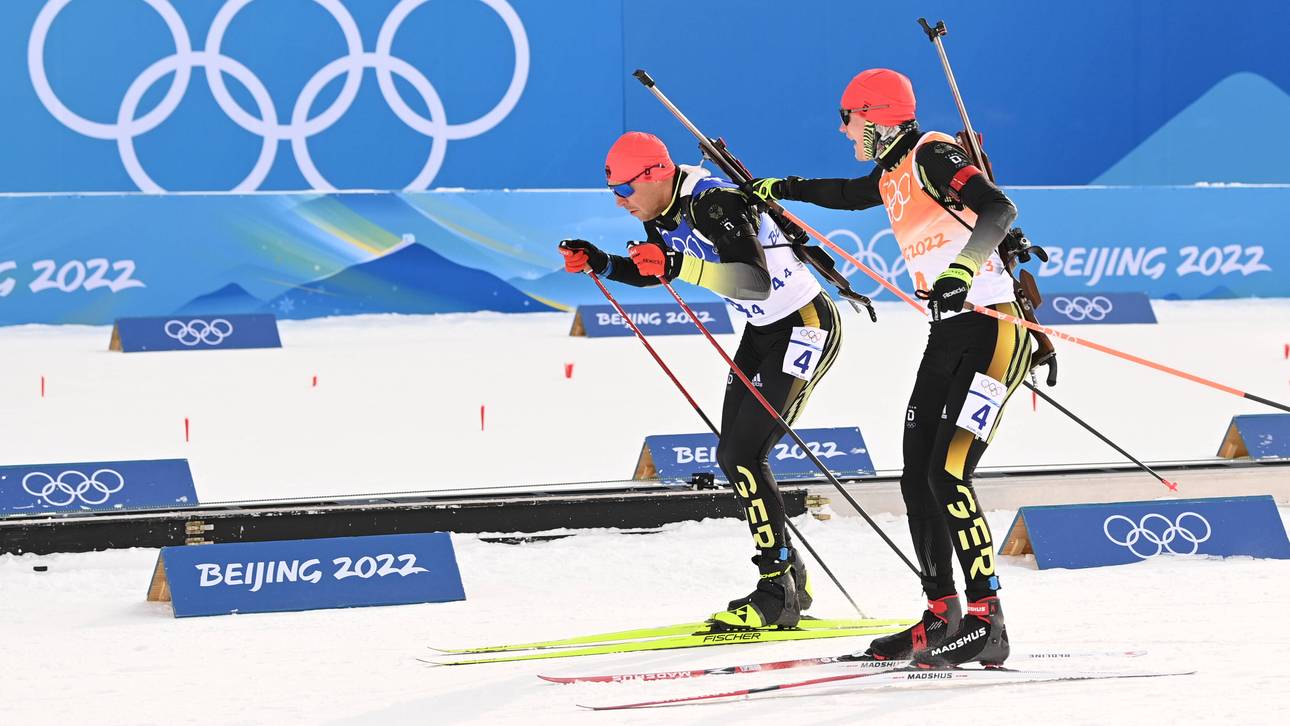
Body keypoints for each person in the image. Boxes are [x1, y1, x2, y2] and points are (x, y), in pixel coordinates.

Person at [751, 68, 1031, 667]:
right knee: (917, 478)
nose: (844, 129)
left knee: (950, 473)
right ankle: (942, 613)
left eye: (848, 118)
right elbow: (853, 193)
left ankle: (988, 619)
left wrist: (961, 269)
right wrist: (783, 187)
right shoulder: (893, 170)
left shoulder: (931, 153)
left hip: (995, 328)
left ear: (875, 116)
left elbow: (998, 208)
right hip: (950, 332)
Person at [559, 131, 843, 630]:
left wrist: (677, 264)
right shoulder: (659, 214)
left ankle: (777, 590)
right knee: (732, 454)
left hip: (804, 325)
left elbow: (753, 279)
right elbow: (657, 270)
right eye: (612, 194)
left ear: (655, 175)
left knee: (743, 454)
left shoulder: (711, 203)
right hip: (762, 330)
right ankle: (792, 574)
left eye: (624, 190)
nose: (620, 202)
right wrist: (602, 261)